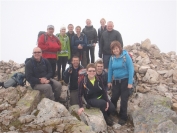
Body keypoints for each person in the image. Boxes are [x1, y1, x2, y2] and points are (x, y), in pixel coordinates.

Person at [107, 41, 134, 125]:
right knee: (114, 98)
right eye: (113, 49)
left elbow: (131, 69)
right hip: (116, 81)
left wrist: (130, 82)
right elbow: (110, 70)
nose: (115, 50)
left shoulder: (125, 56)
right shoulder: (112, 58)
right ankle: (113, 112)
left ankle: (123, 117)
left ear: (119, 48)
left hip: (125, 81)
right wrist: (109, 81)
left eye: (116, 48)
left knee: (124, 100)